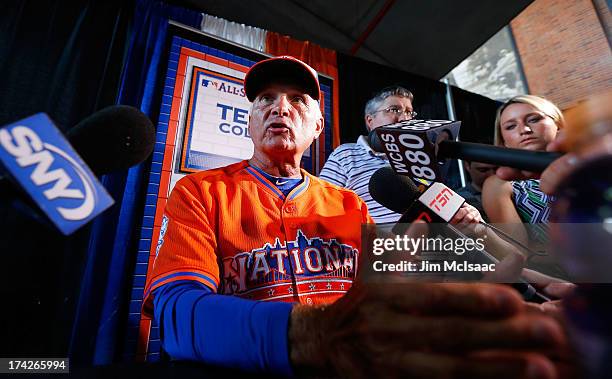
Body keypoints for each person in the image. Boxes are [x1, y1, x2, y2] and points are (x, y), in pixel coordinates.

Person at [143, 57, 570, 378]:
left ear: (317, 126)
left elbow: (396, 282)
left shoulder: (348, 204)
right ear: (249, 121)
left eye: (297, 100)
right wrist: (315, 334)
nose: (280, 109)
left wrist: (496, 281)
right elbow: (176, 311)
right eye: (265, 100)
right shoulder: (200, 191)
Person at [319, 86, 415, 223]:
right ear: (370, 120)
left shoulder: (420, 161)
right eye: (394, 110)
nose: (405, 118)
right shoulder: (346, 155)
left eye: (409, 112)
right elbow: (321, 208)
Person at [482, 95, 564, 246]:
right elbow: (520, 254)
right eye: (510, 126)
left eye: (533, 119)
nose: (524, 130)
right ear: (503, 140)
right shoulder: (500, 184)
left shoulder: (589, 161)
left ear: (557, 123)